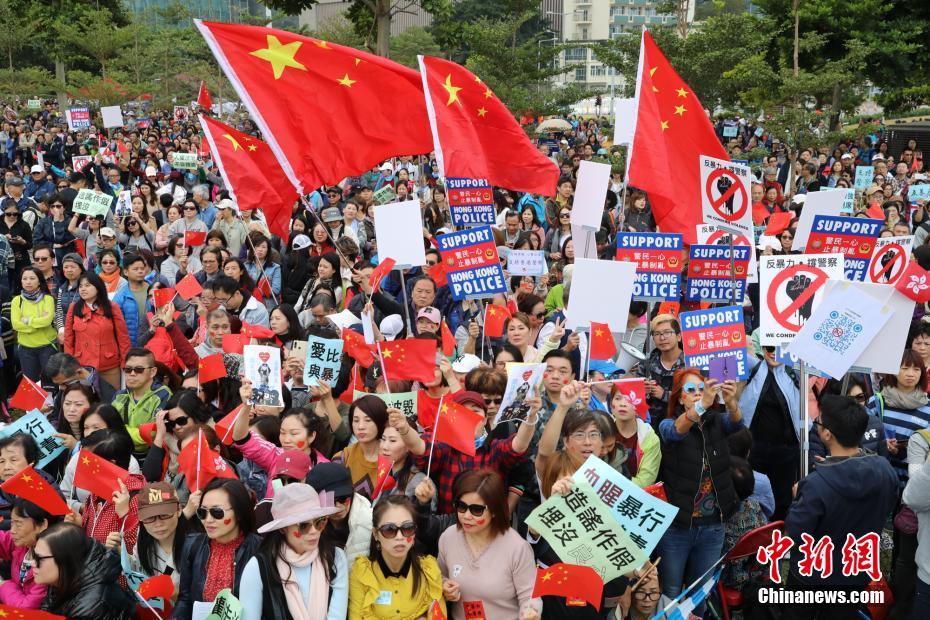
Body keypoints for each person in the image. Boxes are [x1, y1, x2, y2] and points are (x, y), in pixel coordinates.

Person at [783, 395, 898, 620]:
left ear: (827, 433)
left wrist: (798, 498)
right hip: (856, 571)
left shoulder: (815, 485)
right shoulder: (884, 469)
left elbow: (796, 532)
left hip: (812, 575)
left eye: (818, 421)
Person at [657, 368, 743, 608]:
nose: (696, 394)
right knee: (671, 591)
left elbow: (737, 422)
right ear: (680, 397)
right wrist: (703, 405)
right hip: (677, 527)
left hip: (713, 526)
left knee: (701, 592)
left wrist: (732, 401)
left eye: (701, 389)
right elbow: (676, 432)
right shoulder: (667, 424)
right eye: (690, 390)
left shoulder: (717, 422)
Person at [436, 469, 542, 619]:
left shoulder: (517, 548)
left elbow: (530, 594)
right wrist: (444, 586)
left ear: (494, 511)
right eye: (461, 506)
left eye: (476, 510)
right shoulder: (449, 537)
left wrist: (530, 612)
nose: (467, 516)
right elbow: (439, 575)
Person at [240, 483, 348, 620]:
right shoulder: (258, 567)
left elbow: (337, 616)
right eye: (303, 525)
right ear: (283, 528)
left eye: (319, 522)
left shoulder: (336, 558)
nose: (314, 531)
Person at [173, 478, 261, 619]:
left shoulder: (260, 551)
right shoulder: (191, 545)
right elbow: (185, 598)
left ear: (239, 513)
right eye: (202, 512)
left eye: (217, 512)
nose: (208, 520)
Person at [349, 495, 444, 619]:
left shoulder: (429, 570)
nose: (399, 537)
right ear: (376, 534)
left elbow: (439, 615)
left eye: (408, 528)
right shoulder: (362, 572)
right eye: (389, 530)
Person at [738, 344, 801, 521]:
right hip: (755, 449)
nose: (772, 353)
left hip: (786, 451)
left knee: (783, 498)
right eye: (769, 347)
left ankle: (779, 539)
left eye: (778, 348)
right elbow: (731, 350)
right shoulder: (754, 367)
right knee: (753, 494)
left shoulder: (795, 371)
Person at [33, 523, 135, 619]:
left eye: (39, 558)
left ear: (65, 559)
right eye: (34, 556)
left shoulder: (94, 604)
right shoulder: (63, 578)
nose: (32, 563)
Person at [64, 271, 132, 390]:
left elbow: (123, 337)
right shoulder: (74, 308)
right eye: (80, 286)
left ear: (98, 287)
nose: (83, 289)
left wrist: (125, 363)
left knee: (111, 399)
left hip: (109, 364)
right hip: (83, 365)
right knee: (88, 400)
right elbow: (68, 338)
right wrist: (70, 364)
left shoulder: (112, 307)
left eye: (88, 285)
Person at [126, 481, 190, 597]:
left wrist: (178, 594)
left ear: (179, 510)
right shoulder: (143, 540)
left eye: (165, 515)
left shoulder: (197, 546)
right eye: (150, 517)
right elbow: (137, 569)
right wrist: (120, 553)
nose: (158, 524)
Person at [0, 497, 64, 608]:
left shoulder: (49, 563)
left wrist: (3, 585)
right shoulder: (25, 542)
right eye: (12, 523)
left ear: (42, 524)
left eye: (19, 524)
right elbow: (3, 541)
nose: (13, 530)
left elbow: (27, 608)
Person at [306, 462, 374, 566]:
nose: (338, 506)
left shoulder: (370, 521)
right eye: (330, 501)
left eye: (343, 498)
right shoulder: (305, 523)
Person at [110, 348, 173, 454]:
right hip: (120, 452)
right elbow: (107, 426)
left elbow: (152, 434)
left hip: (150, 456)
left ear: (153, 372)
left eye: (139, 369)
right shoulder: (119, 396)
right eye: (128, 369)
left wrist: (118, 431)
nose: (132, 373)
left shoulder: (163, 394)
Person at [334, 395, 388, 499]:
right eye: (356, 420)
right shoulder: (342, 458)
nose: (360, 426)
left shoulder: (392, 460)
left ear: (381, 421)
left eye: (368, 420)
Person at [609, 382, 660, 488]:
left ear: (639, 406)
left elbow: (645, 481)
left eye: (628, 399)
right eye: (618, 398)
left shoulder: (650, 438)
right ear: (611, 405)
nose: (622, 404)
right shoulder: (602, 430)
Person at [12, 266, 58, 381]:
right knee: (31, 383)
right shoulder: (17, 300)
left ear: (39, 281)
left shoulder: (48, 299)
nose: (28, 282)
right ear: (21, 281)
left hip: (47, 346)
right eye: (25, 279)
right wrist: (37, 323)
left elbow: (47, 321)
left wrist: (27, 320)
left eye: (32, 278)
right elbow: (16, 325)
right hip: (26, 348)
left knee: (51, 381)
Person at [640, 314, 684, 427]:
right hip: (650, 426)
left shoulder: (690, 363)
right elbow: (634, 396)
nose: (662, 338)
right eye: (657, 334)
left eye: (667, 332)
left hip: (682, 425)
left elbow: (697, 397)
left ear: (679, 336)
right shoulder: (647, 363)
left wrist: (665, 395)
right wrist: (642, 391)